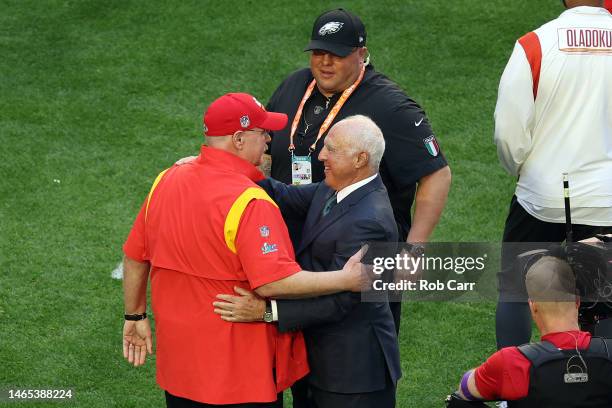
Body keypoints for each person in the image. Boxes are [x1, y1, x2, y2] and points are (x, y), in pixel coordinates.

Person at [121, 93, 368, 407]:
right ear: (238, 139)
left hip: (180, 370)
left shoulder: (164, 180)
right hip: (240, 376)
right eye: (262, 131)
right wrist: (344, 279)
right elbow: (273, 281)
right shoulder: (250, 202)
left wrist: (134, 315)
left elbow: (134, 255)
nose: (268, 139)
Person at [265, 8, 452, 332]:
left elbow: (436, 173)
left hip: (358, 249)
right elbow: (266, 148)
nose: (325, 62)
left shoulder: (390, 106)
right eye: (319, 53)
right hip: (293, 245)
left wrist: (415, 247)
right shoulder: (295, 85)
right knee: (296, 351)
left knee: (354, 352)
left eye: (336, 54)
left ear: (361, 54)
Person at [213, 115, 401, 408]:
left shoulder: (372, 221)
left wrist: (266, 312)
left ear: (360, 159)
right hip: (318, 362)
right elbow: (283, 195)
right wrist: (220, 164)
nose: (321, 155)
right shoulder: (334, 186)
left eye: (332, 149)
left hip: (352, 375)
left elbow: (341, 302)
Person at [494, 0, 612, 349]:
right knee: (605, 298)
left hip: (541, 197)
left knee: (516, 287)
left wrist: (526, 171)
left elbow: (508, 132)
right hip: (608, 200)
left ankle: (509, 399)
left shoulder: (535, 44)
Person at [452, 256, 612, 407]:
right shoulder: (608, 352)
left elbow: (464, 391)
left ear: (532, 305)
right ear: (577, 301)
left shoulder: (510, 362)